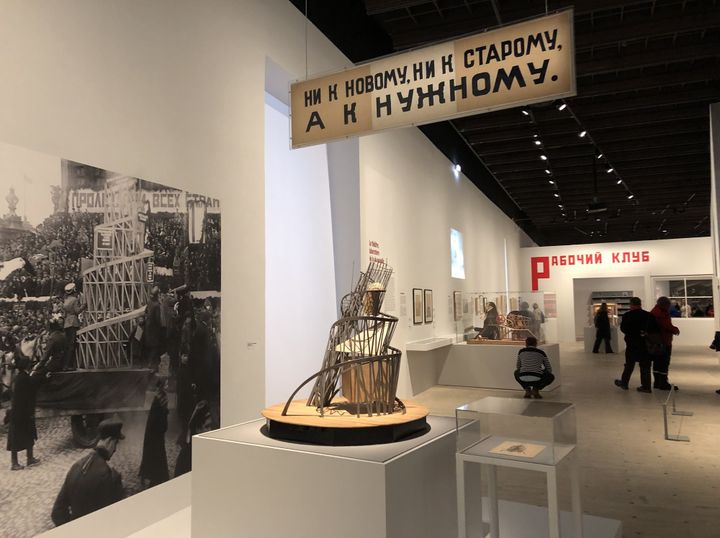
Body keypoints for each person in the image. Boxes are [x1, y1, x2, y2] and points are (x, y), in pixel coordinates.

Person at [51, 419, 125, 525]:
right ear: (109, 441)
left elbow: (57, 513)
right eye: (116, 443)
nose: (115, 449)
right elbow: (111, 520)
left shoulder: (76, 466)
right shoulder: (108, 476)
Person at [6, 355, 39, 470]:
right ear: (27, 366)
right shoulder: (25, 378)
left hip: (17, 412)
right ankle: (16, 463)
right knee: (24, 435)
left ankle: (28, 459)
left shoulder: (18, 377)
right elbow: (32, 391)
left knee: (20, 436)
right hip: (22, 413)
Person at [615, 297, 654, 393]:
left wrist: (631, 333)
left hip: (632, 343)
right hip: (644, 343)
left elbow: (623, 328)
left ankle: (624, 383)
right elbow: (653, 328)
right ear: (640, 304)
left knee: (629, 364)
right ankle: (646, 386)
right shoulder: (648, 315)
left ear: (631, 304)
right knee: (645, 366)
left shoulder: (627, 315)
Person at [139, 379, 170, 487]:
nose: (167, 384)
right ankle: (157, 477)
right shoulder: (160, 398)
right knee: (157, 454)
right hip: (155, 433)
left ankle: (156, 476)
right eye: (166, 383)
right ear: (161, 385)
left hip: (155, 432)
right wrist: (162, 427)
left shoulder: (160, 396)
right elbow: (157, 417)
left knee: (156, 454)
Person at [650, 296, 680, 390]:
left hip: (655, 342)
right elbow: (666, 325)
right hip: (664, 341)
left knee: (657, 362)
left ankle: (657, 382)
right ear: (665, 305)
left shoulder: (653, 311)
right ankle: (663, 383)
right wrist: (675, 330)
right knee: (664, 362)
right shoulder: (661, 313)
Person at [62, 282, 86, 369]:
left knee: (68, 345)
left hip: (66, 323)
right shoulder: (75, 300)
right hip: (73, 322)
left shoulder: (65, 301)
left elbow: (64, 314)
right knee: (72, 345)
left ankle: (65, 364)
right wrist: (83, 306)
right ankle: (69, 365)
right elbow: (77, 311)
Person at [144, 286, 163, 371]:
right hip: (154, 328)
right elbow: (158, 319)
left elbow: (146, 312)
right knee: (155, 346)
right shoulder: (156, 305)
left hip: (148, 327)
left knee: (151, 346)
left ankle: (150, 362)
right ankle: (152, 363)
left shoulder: (149, 302)